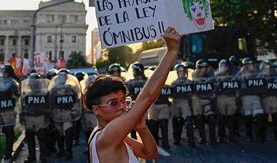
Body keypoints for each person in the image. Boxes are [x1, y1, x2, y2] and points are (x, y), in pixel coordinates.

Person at [85, 27, 179, 162]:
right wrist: (171, 51)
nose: (122, 107)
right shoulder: (108, 134)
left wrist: (142, 128)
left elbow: (150, 154)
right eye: (113, 103)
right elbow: (148, 97)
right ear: (96, 110)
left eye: (123, 100)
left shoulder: (112, 133)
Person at [237, 57, 266, 142]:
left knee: (259, 116)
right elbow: (237, 87)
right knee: (248, 118)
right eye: (250, 64)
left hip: (256, 98)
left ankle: (258, 135)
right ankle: (249, 135)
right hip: (245, 98)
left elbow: (263, 84)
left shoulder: (257, 74)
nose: (252, 66)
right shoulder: (240, 75)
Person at [192, 59, 217, 145]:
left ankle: (213, 138)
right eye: (202, 68)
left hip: (207, 100)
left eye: (205, 68)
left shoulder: (210, 75)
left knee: (211, 117)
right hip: (198, 100)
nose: (204, 70)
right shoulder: (194, 75)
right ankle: (202, 137)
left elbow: (214, 85)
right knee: (199, 118)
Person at [171, 63, 195, 146]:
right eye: (179, 72)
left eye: (182, 72)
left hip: (186, 102)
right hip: (176, 102)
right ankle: (176, 139)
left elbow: (194, 93)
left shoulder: (189, 82)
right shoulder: (174, 84)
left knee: (188, 121)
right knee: (176, 121)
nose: (180, 73)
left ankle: (191, 140)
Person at [215, 59, 239, 143]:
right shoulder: (216, 76)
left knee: (231, 118)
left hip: (231, 97)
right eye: (222, 66)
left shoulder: (232, 76)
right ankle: (221, 136)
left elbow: (236, 86)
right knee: (221, 117)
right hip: (221, 97)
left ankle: (231, 136)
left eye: (225, 66)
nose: (224, 68)